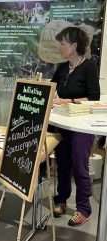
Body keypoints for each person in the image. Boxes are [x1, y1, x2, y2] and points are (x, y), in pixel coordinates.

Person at [51, 27, 100, 226]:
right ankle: (61, 199)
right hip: (62, 125)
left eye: (62, 43)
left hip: (81, 127)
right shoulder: (62, 68)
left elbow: (94, 97)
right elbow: (52, 89)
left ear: (73, 46)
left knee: (80, 166)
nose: (60, 47)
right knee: (62, 164)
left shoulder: (89, 67)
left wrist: (68, 101)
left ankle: (83, 208)